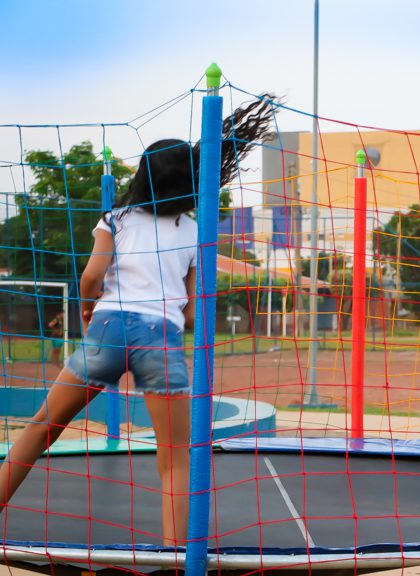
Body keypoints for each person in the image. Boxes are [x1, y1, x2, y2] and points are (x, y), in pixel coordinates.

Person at [0, 95, 275, 545]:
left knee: (40, 430)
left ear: (142, 178)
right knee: (175, 459)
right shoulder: (194, 230)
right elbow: (189, 304)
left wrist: (90, 308)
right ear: (190, 182)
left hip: (106, 330)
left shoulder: (118, 218)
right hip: (160, 341)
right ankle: (177, 561)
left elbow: (91, 276)